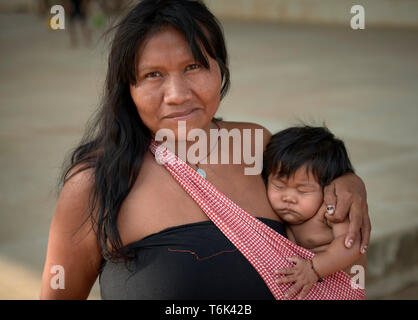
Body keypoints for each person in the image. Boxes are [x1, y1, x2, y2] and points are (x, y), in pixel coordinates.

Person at [40, 0, 370, 300]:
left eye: (194, 66)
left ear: (220, 69)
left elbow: (328, 213)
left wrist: (350, 183)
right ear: (128, 87)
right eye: (153, 74)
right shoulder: (95, 184)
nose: (177, 94)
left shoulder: (257, 146)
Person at [262, 126, 367, 299]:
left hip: (341, 290)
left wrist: (314, 268)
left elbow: (353, 246)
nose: (288, 197)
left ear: (328, 188)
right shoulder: (273, 207)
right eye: (279, 186)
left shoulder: (331, 210)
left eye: (303, 191)